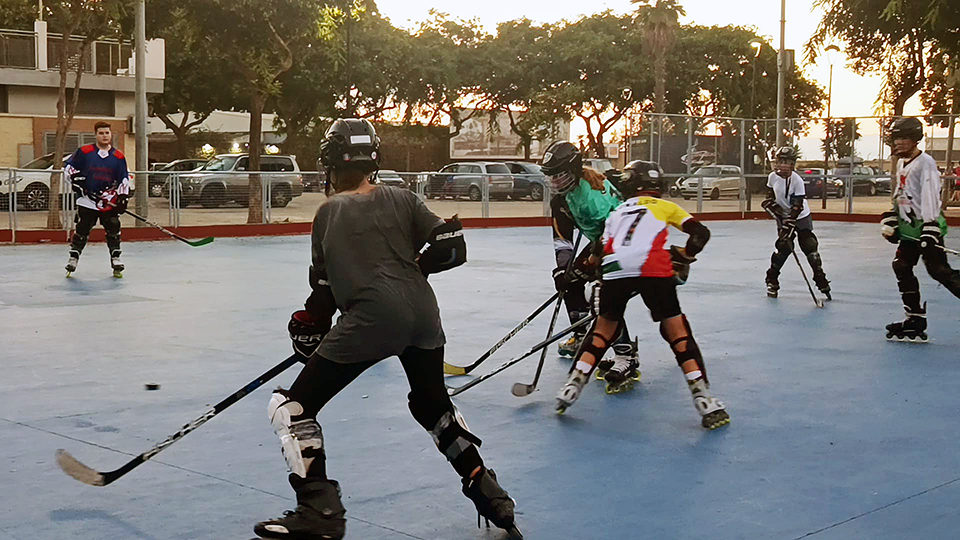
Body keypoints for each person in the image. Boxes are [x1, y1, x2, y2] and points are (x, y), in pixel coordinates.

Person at [254, 119, 521, 540]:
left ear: (331, 164)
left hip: (371, 319)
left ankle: (319, 510)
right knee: (433, 406)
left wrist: (308, 328)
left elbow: (322, 298)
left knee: (291, 408)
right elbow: (452, 246)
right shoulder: (403, 197)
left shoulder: (328, 212)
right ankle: (488, 491)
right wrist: (417, 268)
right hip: (424, 314)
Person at [553, 160, 730, 430]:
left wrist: (582, 270)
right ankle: (704, 399)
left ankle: (572, 386)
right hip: (654, 268)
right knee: (678, 334)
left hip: (615, 271)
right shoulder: (665, 206)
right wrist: (684, 256)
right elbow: (700, 234)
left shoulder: (618, 211)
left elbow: (599, 250)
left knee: (601, 332)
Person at [541, 141, 638, 378]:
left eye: (559, 175)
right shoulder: (561, 200)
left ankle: (626, 355)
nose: (555, 182)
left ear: (573, 171)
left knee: (604, 295)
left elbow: (614, 233)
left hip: (627, 242)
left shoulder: (592, 197)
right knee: (569, 280)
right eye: (551, 176)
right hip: (602, 242)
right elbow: (562, 240)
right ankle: (582, 334)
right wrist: (563, 269)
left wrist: (594, 259)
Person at [880, 117, 960, 342]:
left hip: (925, 227)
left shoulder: (925, 163)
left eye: (903, 137)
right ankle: (914, 318)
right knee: (901, 266)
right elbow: (902, 193)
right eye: (896, 138)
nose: (898, 142)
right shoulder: (902, 163)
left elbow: (930, 195)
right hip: (910, 228)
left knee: (939, 271)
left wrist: (930, 227)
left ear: (915, 139)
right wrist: (894, 217)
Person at [761, 146, 831, 301]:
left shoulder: (797, 180)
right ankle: (772, 279)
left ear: (793, 164)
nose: (783, 165)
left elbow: (797, 205)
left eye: (787, 162)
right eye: (781, 161)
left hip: (800, 216)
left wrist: (790, 221)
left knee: (809, 245)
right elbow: (769, 196)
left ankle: (820, 278)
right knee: (783, 247)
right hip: (783, 216)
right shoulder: (772, 177)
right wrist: (773, 207)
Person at [64, 121, 131, 277]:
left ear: (111, 134)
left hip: (108, 200)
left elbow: (124, 178)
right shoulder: (84, 152)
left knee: (113, 227)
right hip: (87, 199)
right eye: (101, 133)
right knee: (82, 228)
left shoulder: (118, 156)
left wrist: (122, 197)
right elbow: (69, 168)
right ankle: (73, 258)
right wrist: (77, 181)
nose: (104, 136)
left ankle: (116, 258)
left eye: (107, 133)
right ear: (96, 135)